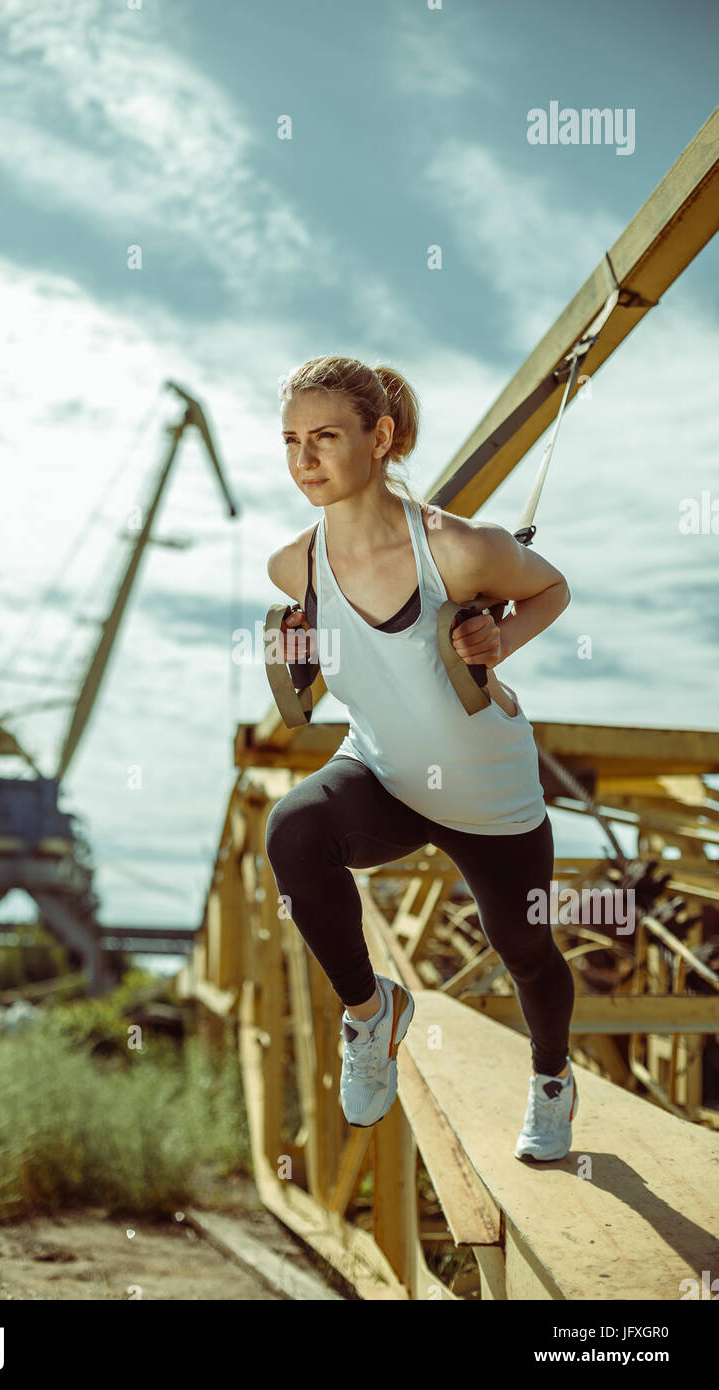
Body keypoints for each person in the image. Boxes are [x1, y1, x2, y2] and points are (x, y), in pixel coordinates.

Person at [264, 355, 578, 1161]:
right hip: (384, 776)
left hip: (488, 799)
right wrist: (302, 657)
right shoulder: (293, 566)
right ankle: (372, 1016)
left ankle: (551, 1082)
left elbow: (553, 589)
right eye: (292, 440)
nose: (305, 460)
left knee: (527, 951)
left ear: (381, 437)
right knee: (292, 832)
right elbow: (355, 663)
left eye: (327, 437)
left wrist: (499, 637)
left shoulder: (461, 549)